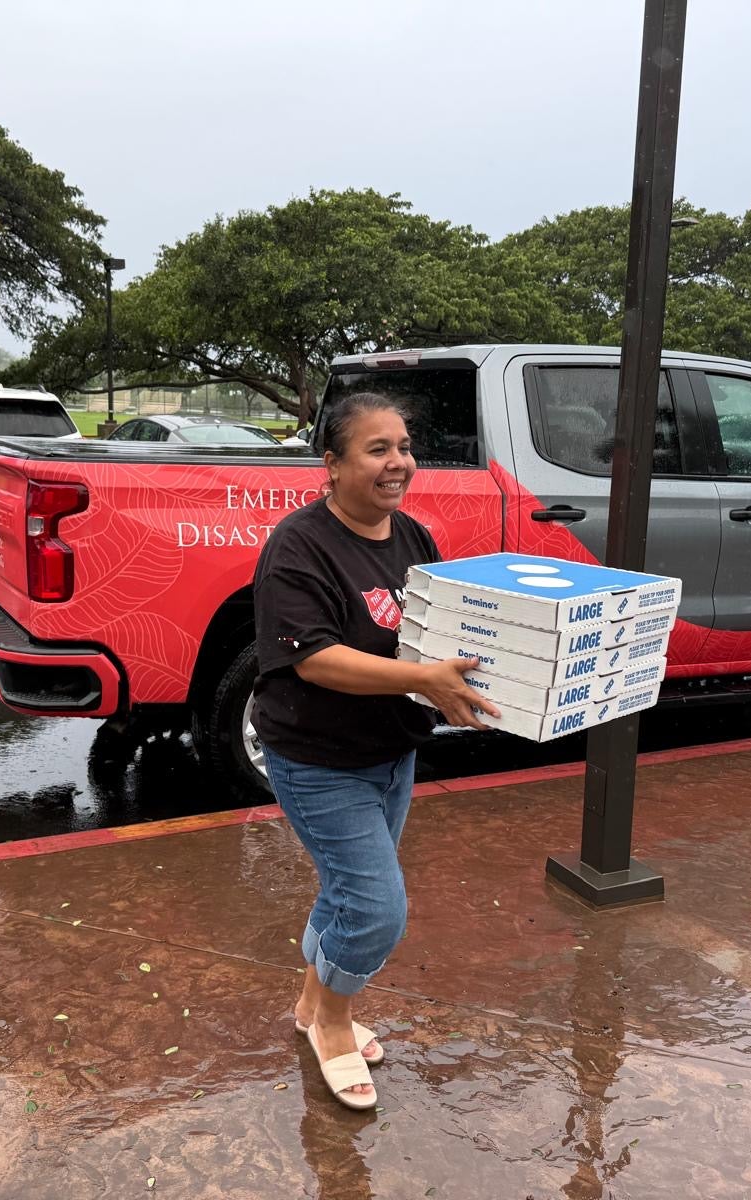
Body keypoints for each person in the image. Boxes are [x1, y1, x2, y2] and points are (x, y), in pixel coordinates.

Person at [251, 390, 498, 1110]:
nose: (399, 463)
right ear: (331, 464)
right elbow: (314, 659)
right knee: (376, 909)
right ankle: (333, 1024)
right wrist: (423, 676)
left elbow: (435, 635)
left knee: (347, 892)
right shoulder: (298, 547)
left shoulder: (414, 539)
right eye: (377, 449)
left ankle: (309, 1006)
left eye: (404, 447)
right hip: (318, 758)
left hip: (392, 750)